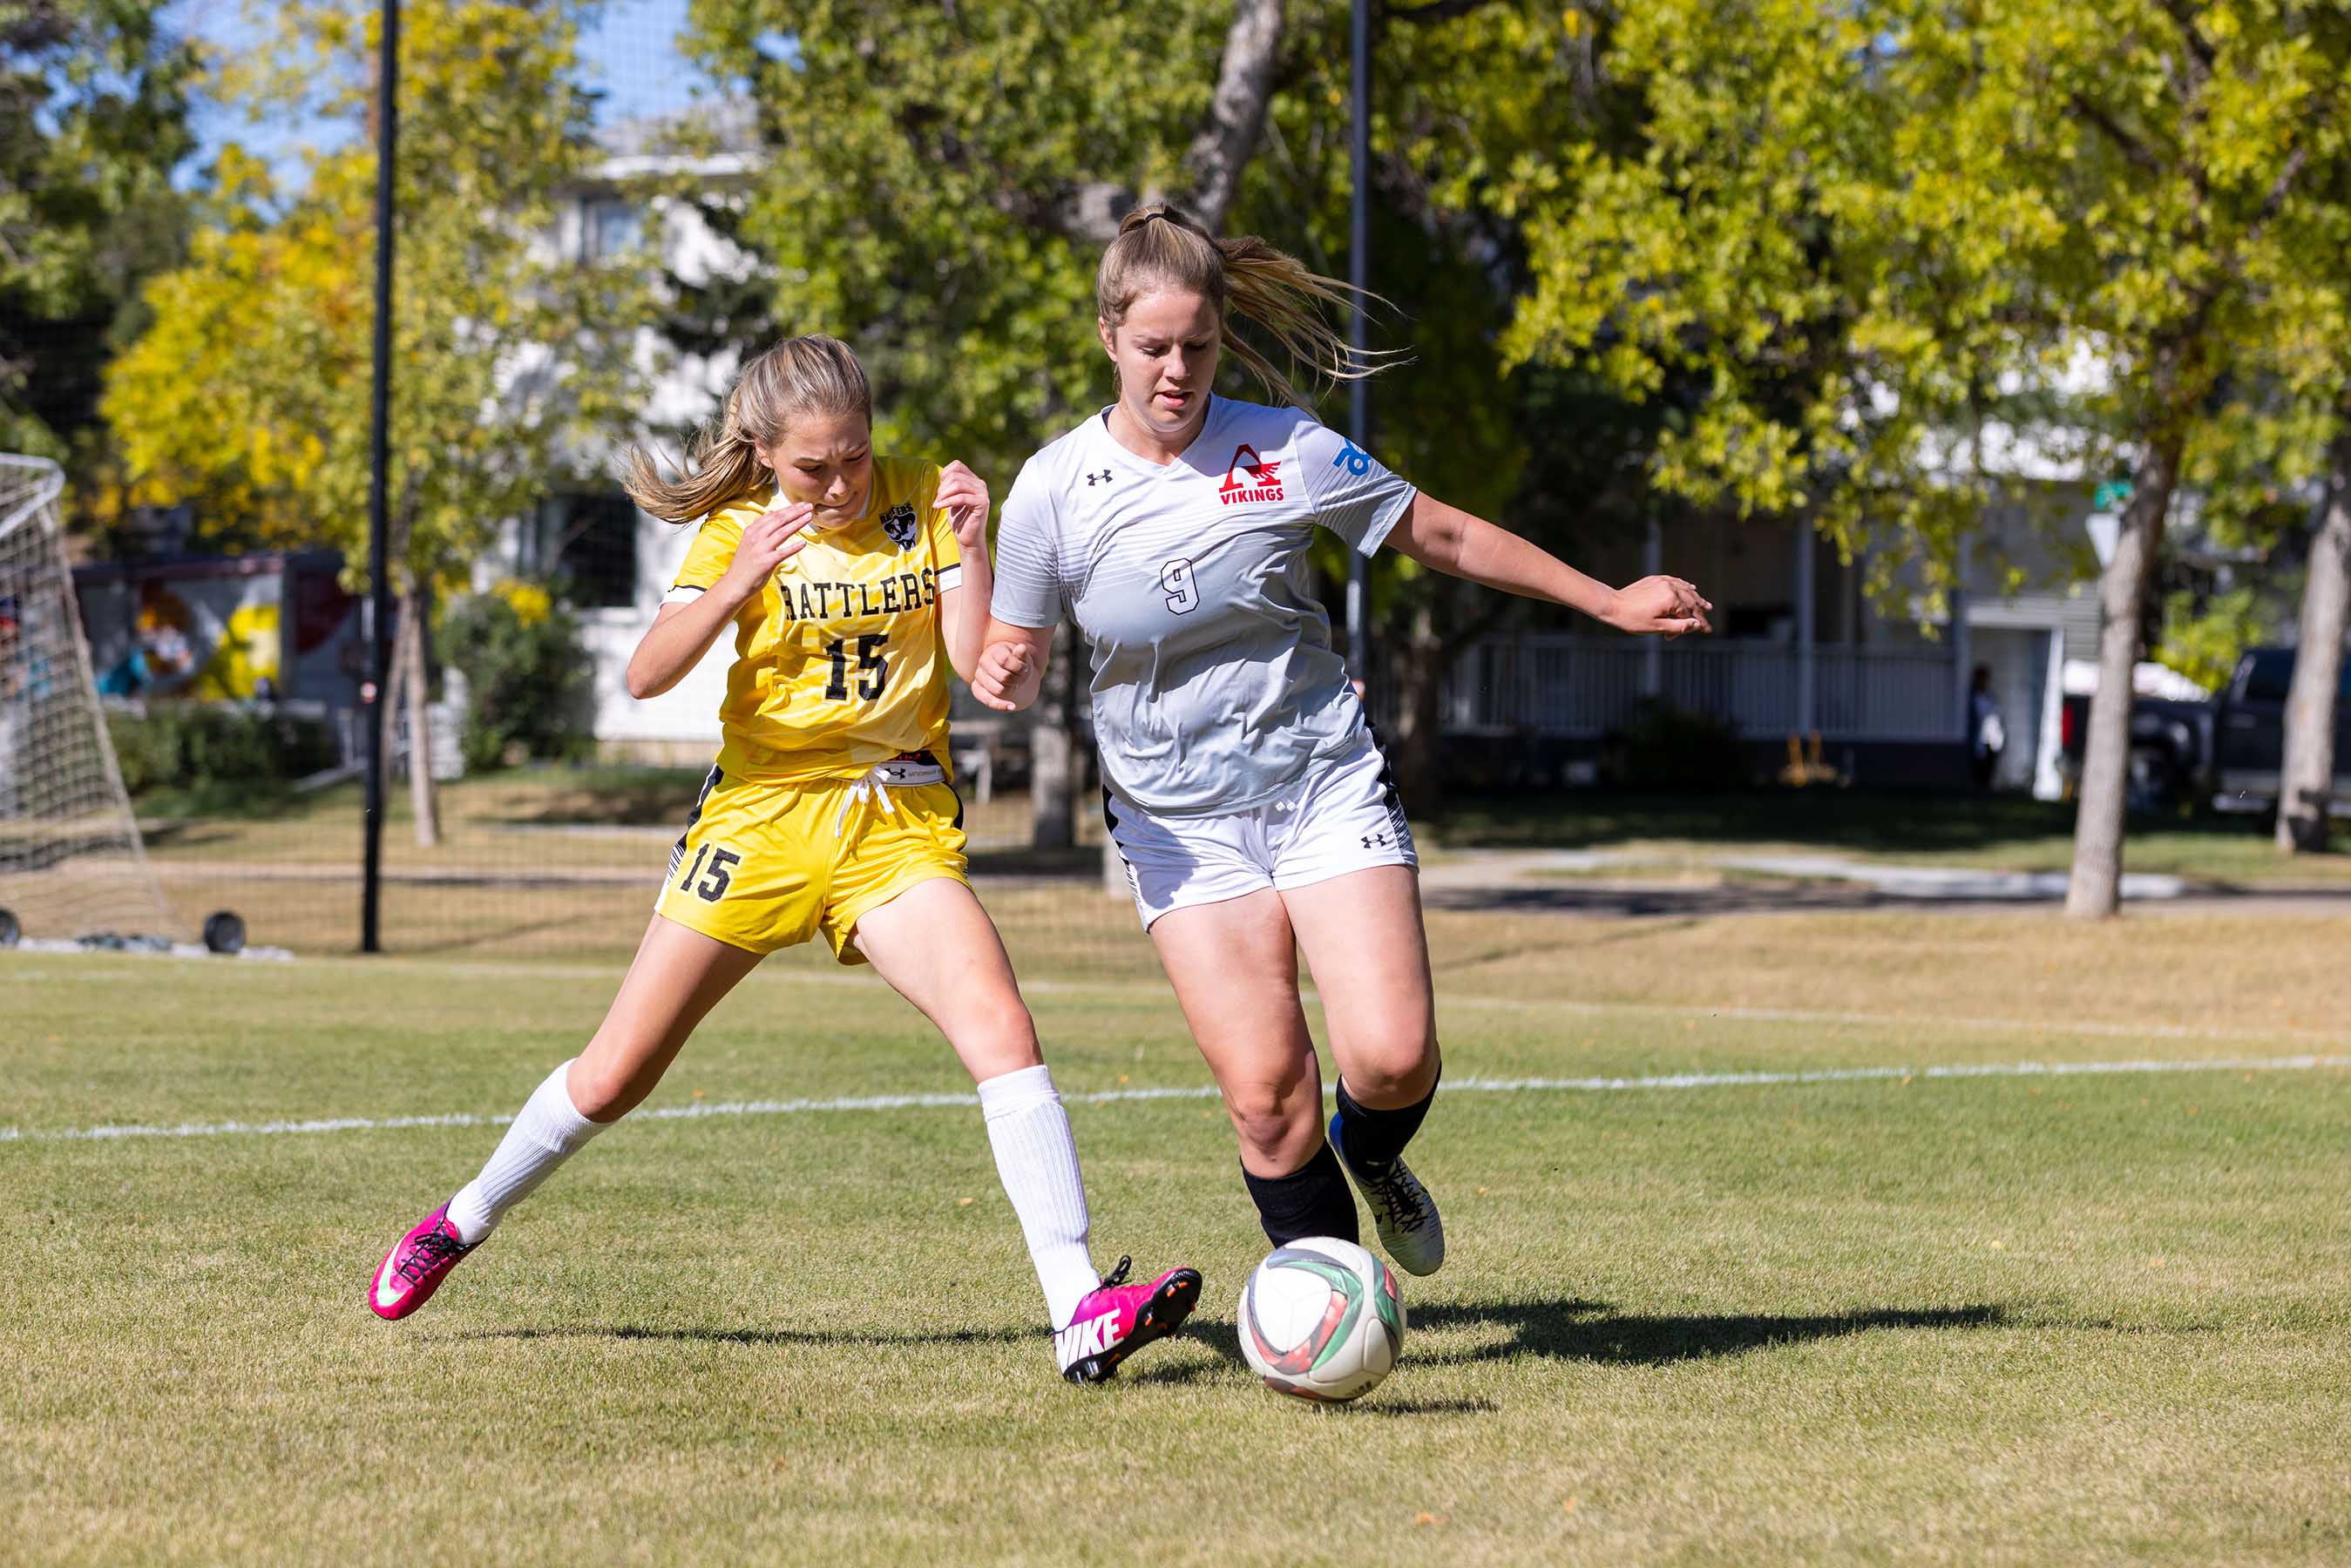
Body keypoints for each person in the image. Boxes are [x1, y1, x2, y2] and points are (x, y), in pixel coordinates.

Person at [366, 335, 1198, 1384]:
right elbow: (644, 676)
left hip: (892, 820)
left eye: (854, 455)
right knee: (616, 1073)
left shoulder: (918, 499)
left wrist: (974, 546)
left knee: (1001, 1025)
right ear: (762, 454)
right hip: (757, 824)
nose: (843, 483)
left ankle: (1077, 1306)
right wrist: (736, 579)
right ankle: (463, 1217)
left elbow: (982, 670)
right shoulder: (733, 532)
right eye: (815, 467)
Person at [973, 207, 1711, 1277]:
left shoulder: (1284, 447)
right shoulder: (1050, 488)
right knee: (1267, 1099)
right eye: (1152, 348)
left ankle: (1373, 1153)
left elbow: (1442, 531)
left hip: (1320, 782)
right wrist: (1004, 663)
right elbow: (1019, 644)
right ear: (1107, 339)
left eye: (1198, 345)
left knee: (1393, 1056)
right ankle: (1333, 1299)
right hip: (1178, 827)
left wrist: (1605, 600)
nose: (1176, 370)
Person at [1969, 665, 2005, 790]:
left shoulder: (1991, 697)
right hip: (1978, 741)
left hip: (1993, 740)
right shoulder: (1972, 698)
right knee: (1979, 771)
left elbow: (1997, 717)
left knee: (1989, 770)